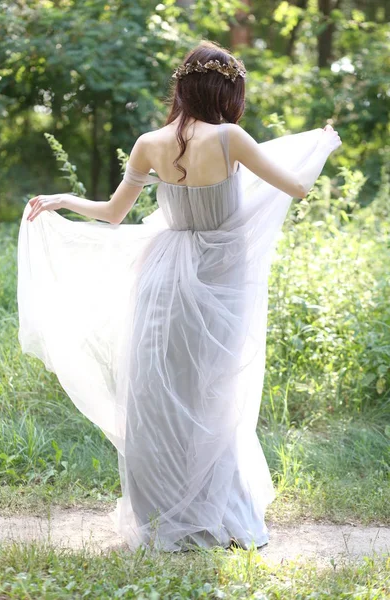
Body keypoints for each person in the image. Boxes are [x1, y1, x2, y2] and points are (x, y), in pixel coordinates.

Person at [17, 40, 341, 553]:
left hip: (163, 276)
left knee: (157, 396)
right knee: (212, 399)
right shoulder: (231, 138)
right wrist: (321, 143)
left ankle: (161, 514)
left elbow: (112, 213)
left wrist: (63, 198)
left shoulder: (149, 141)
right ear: (225, 90)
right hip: (218, 279)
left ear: (182, 86)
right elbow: (297, 187)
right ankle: (216, 513)